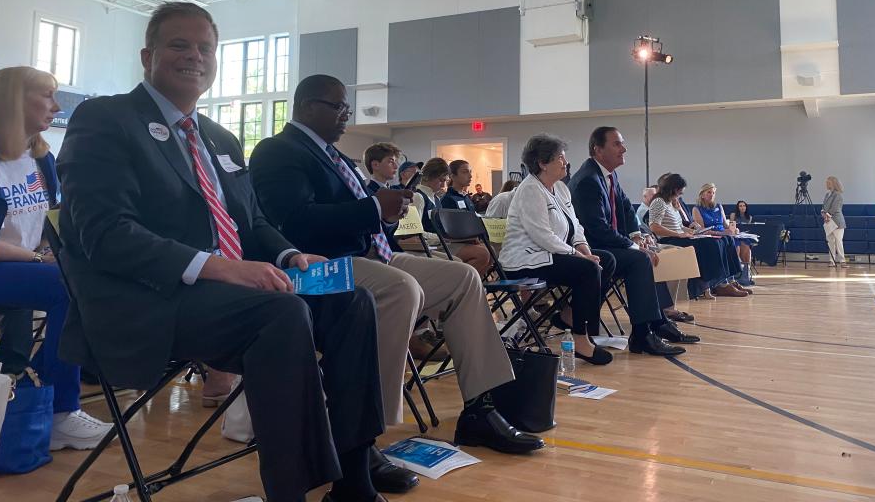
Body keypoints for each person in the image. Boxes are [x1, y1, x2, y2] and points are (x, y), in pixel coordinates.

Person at [57, 3, 386, 502]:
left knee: (351, 299)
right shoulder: (105, 119)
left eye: (205, 48)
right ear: (148, 55)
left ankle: (355, 475)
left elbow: (250, 222)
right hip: (148, 299)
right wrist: (220, 268)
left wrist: (291, 256)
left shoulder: (219, 137)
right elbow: (104, 234)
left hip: (225, 294)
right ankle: (289, 491)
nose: (194, 56)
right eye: (179, 45)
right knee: (280, 314)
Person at [249, 75, 544, 462]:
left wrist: (388, 212)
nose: (345, 116)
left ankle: (480, 408)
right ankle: (361, 434)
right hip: (317, 266)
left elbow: (365, 216)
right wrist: (373, 209)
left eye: (347, 109)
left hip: (369, 257)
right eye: (337, 107)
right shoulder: (277, 150)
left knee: (464, 277)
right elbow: (292, 221)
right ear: (306, 106)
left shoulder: (335, 158)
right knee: (399, 288)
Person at [0, 66, 113, 451]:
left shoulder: (41, 157)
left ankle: (40, 393)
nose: (56, 105)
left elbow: (52, 219)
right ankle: (61, 410)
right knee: (68, 285)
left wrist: (54, 251)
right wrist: (39, 260)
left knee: (80, 279)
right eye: (47, 95)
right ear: (14, 101)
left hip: (23, 264)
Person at [568, 126, 698, 345]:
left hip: (606, 243)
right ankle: (643, 332)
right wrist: (633, 246)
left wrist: (637, 235)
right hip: (590, 248)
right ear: (598, 150)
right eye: (617, 144)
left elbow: (626, 208)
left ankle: (654, 323)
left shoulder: (608, 175)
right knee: (639, 259)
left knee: (649, 254)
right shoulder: (588, 180)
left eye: (623, 143)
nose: (624, 149)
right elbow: (597, 229)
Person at [500, 135, 616, 365]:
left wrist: (583, 248)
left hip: (550, 254)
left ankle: (569, 315)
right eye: (560, 158)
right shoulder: (530, 189)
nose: (566, 162)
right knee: (587, 269)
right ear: (543, 163)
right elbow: (542, 235)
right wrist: (578, 256)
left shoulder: (561, 189)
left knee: (607, 260)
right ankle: (581, 340)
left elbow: (576, 226)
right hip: (524, 259)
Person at [647, 174, 747, 301]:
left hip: (679, 236)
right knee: (710, 244)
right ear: (672, 188)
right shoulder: (658, 202)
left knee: (723, 240)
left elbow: (679, 226)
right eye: (679, 191)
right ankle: (711, 284)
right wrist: (679, 234)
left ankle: (724, 280)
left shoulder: (670, 203)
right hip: (668, 239)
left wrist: (695, 232)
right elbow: (654, 227)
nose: (680, 194)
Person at [692, 184, 752, 293]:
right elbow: (702, 229)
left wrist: (733, 229)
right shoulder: (697, 209)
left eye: (713, 193)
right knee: (724, 242)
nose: (712, 195)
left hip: (724, 234)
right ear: (702, 195)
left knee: (742, 242)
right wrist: (721, 232)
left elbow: (725, 224)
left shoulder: (719, 206)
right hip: (711, 235)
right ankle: (723, 284)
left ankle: (734, 279)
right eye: (709, 192)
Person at [822, 176, 847, 267]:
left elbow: (835, 208)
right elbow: (824, 206)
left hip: (837, 221)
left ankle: (842, 260)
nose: (827, 184)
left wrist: (827, 215)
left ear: (833, 183)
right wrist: (823, 213)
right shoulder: (827, 194)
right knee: (830, 242)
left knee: (838, 241)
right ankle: (831, 260)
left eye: (828, 182)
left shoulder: (838, 195)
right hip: (828, 221)